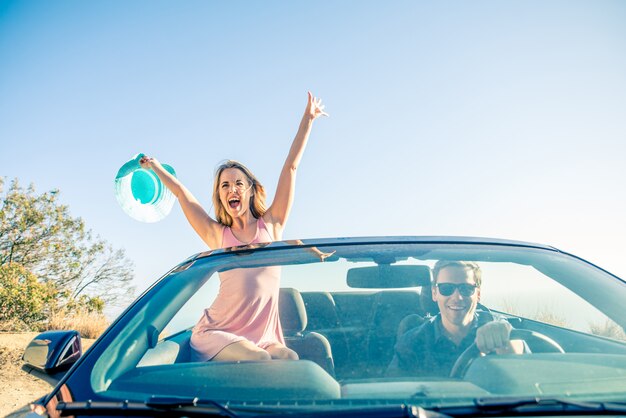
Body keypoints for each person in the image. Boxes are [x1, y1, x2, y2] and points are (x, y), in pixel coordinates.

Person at [139, 91, 328, 362]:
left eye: (238, 183)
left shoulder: (272, 225)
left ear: (251, 189)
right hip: (218, 332)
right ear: (220, 196)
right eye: (225, 185)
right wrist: (156, 167)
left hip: (265, 337)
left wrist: (308, 119)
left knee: (291, 361)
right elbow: (183, 195)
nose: (232, 190)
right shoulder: (218, 235)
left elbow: (291, 168)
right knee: (260, 360)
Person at [386, 260, 524, 377]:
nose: (457, 297)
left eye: (466, 289)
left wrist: (508, 343)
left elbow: (523, 372)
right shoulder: (412, 343)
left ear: (478, 294)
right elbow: (393, 392)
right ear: (434, 293)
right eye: (447, 288)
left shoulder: (496, 326)